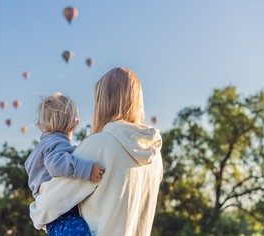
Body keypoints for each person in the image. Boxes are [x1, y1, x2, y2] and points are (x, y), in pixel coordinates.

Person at [30, 67, 163, 236]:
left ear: (103, 102)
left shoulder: (100, 145)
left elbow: (48, 204)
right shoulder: (154, 155)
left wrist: (36, 212)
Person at [25, 92, 106, 236]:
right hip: (62, 213)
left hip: (53, 215)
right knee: (80, 231)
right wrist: (87, 169)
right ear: (74, 124)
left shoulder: (41, 147)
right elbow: (56, 164)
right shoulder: (56, 143)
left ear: (40, 125)